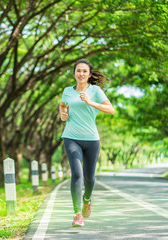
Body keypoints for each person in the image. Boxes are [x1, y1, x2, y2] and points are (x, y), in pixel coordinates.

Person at [59, 59, 114, 227]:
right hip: (71, 137)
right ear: (74, 73)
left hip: (91, 139)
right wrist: (63, 114)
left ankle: (87, 199)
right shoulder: (68, 91)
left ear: (89, 74)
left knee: (89, 178)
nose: (81, 73)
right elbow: (62, 105)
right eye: (78, 71)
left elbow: (111, 110)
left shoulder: (95, 91)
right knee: (77, 174)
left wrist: (90, 102)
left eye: (84, 71)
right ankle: (77, 214)